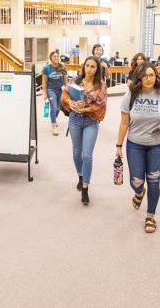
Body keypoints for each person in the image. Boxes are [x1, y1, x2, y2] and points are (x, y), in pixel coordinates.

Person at [116, 62, 160, 233]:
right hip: (135, 144)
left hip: (159, 145)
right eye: (145, 75)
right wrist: (119, 146)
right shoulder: (130, 95)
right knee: (136, 180)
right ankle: (138, 193)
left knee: (154, 180)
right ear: (139, 77)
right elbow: (124, 123)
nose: (149, 78)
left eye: (152, 75)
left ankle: (150, 215)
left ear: (156, 76)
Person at [61, 56, 107, 206]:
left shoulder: (101, 85)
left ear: (97, 69)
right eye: (87, 65)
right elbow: (65, 95)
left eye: (93, 66)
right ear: (84, 66)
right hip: (74, 119)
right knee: (76, 152)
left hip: (90, 121)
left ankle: (85, 187)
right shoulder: (75, 80)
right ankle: (80, 177)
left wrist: (83, 108)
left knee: (87, 155)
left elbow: (98, 106)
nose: (89, 69)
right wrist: (71, 103)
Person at [42, 51, 68, 136]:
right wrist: (45, 93)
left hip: (60, 90)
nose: (56, 58)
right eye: (54, 56)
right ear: (51, 58)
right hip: (51, 90)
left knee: (58, 108)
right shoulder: (47, 68)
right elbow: (44, 81)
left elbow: (65, 79)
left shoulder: (62, 67)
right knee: (53, 107)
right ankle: (54, 125)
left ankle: (54, 118)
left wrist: (67, 88)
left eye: (57, 56)